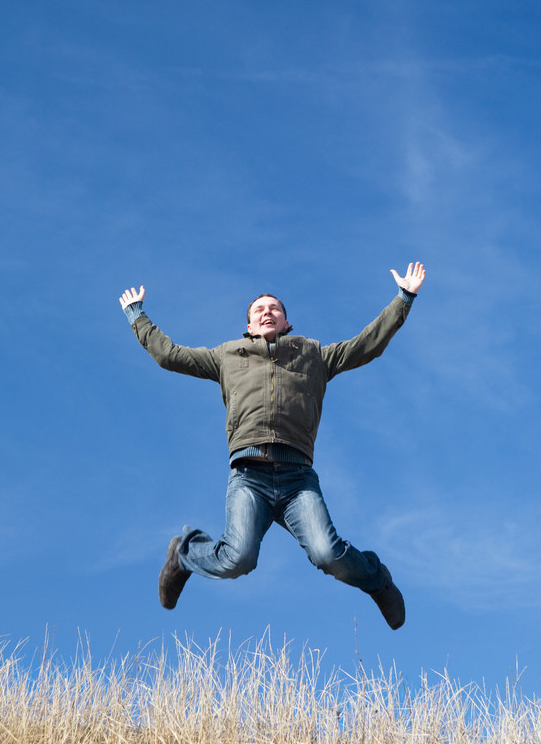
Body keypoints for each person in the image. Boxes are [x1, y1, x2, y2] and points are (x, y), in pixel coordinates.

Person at [119, 262, 426, 629]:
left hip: (298, 479)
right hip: (249, 477)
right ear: (249, 326)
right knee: (238, 559)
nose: (267, 313)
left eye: (274, 309)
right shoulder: (227, 356)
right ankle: (184, 553)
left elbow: (366, 345)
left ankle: (377, 579)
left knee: (328, 554)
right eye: (259, 310)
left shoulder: (313, 355)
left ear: (286, 322)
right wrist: (137, 316)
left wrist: (403, 299)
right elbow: (170, 355)